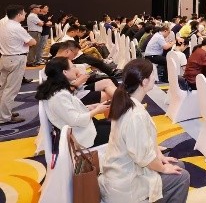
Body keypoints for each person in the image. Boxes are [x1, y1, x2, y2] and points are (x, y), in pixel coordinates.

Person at [99, 59, 190, 203]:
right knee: (182, 176)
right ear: (144, 81)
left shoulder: (125, 101)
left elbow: (144, 142)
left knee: (178, 166)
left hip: (121, 171)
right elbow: (145, 158)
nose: (155, 77)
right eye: (153, 74)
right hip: (127, 183)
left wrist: (159, 156)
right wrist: (163, 168)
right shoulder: (135, 114)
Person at [36, 57, 111, 147]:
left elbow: (69, 113)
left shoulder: (56, 90)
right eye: (73, 67)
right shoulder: (59, 96)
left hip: (83, 130)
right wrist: (97, 110)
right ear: (65, 72)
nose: (76, 69)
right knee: (121, 129)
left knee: (116, 124)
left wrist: (91, 107)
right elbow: (75, 120)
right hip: (83, 136)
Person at [0, 5, 36, 124]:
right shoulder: (17, 27)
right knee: (11, 89)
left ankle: (3, 112)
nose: (25, 14)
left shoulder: (2, 24)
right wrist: (25, 43)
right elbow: (32, 42)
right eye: (24, 13)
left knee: (3, 87)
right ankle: (4, 117)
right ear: (19, 15)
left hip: (5, 57)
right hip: (16, 58)